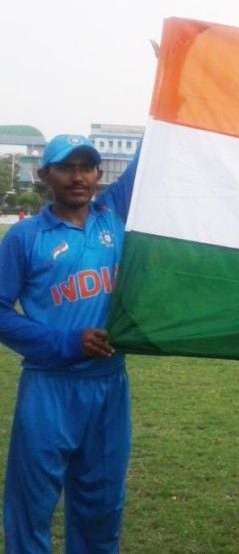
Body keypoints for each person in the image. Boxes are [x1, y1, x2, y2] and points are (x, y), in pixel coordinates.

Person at [0, 134, 137, 553]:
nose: (78, 177)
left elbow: (153, 151)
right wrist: (67, 342)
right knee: (31, 508)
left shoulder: (113, 214)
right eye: (66, 167)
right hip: (49, 387)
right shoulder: (24, 237)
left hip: (109, 386)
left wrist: (172, 69)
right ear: (45, 175)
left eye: (87, 167)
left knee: (102, 509)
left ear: (99, 173)